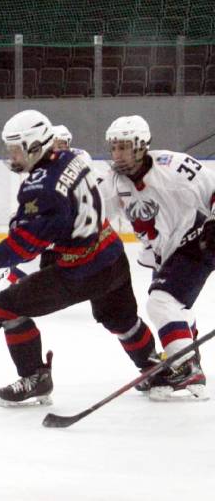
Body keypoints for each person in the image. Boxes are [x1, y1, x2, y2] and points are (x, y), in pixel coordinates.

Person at [0, 110, 158, 407]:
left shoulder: (40, 187)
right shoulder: (73, 158)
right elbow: (63, 218)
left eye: (16, 148)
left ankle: (35, 377)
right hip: (112, 255)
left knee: (7, 306)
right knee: (120, 319)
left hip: (82, 271)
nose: (12, 156)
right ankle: (156, 367)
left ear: (35, 145)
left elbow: (26, 245)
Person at [98, 115, 214, 400]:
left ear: (141, 146)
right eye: (114, 148)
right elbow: (92, 213)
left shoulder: (175, 167)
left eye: (124, 147)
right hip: (163, 253)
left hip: (198, 242)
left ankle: (185, 367)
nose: (117, 154)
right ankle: (188, 360)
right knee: (177, 308)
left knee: (161, 302)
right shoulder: (115, 181)